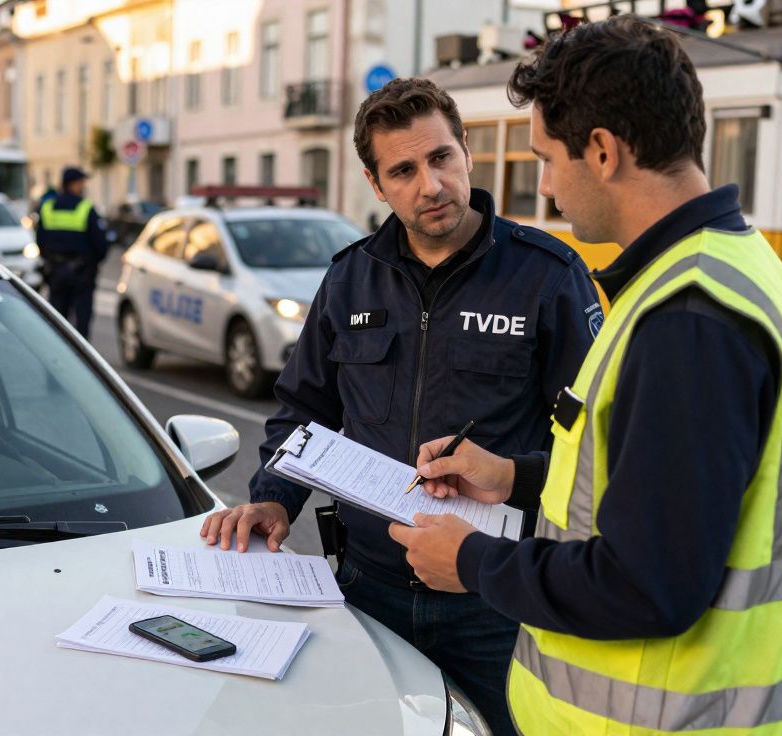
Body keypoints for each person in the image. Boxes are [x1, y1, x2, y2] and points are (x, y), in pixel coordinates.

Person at [390, 16, 782, 735]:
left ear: (602, 151)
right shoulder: (734, 271)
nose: (543, 184)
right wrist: (513, 478)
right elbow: (657, 489)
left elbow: (647, 584)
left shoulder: (685, 318)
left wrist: (474, 561)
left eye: (545, 157)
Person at [199, 77, 602, 736]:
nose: (431, 185)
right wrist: (273, 498)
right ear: (376, 183)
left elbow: (594, 449)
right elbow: (305, 407)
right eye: (404, 170)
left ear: (466, 149)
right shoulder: (349, 277)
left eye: (441, 158)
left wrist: (509, 471)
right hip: (367, 586)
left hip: (494, 594)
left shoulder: (547, 277)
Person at [36, 167, 108, 339]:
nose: (83, 186)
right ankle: (81, 360)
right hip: (81, 273)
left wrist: (51, 260)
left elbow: (40, 241)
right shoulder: (85, 208)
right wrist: (92, 263)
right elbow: (101, 245)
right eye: (81, 182)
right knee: (82, 320)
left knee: (58, 322)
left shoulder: (47, 207)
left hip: (56, 271)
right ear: (72, 184)